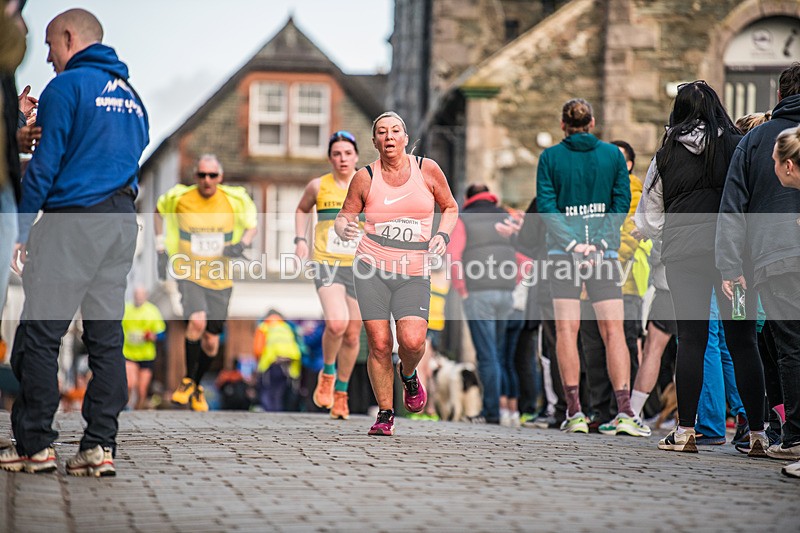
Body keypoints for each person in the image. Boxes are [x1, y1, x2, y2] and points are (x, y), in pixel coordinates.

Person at [0, 9, 148, 476]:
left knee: (40, 336)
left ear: (69, 37)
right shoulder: (133, 96)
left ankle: (35, 445)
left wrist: (23, 228)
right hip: (122, 221)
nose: (46, 57)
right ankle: (99, 446)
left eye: (49, 46)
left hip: (72, 224)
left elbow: (45, 166)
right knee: (106, 339)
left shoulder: (67, 87)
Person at [636, 81, 765, 454]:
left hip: (683, 260)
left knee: (691, 339)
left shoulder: (665, 155)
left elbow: (649, 219)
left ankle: (686, 431)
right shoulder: (739, 146)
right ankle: (757, 432)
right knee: (743, 340)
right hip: (735, 261)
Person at [334, 111, 458, 436]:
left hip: (413, 268)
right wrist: (345, 227)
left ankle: (409, 373)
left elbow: (450, 207)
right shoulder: (365, 177)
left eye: (395, 131)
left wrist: (442, 235)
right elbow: (345, 215)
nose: (389, 137)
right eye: (382, 132)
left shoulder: (426, 169)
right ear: (374, 141)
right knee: (378, 342)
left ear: (405, 137)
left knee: (413, 341)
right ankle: (386, 413)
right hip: (371, 265)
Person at [536, 98, 647, 437]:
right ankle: (625, 411)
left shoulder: (550, 157)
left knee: (567, 331)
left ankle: (575, 412)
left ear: (562, 125)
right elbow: (619, 203)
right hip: (605, 255)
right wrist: (599, 242)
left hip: (563, 254)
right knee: (613, 331)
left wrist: (572, 243)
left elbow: (547, 204)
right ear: (592, 122)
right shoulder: (613, 155)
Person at [156, 154, 257, 412]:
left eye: (212, 175)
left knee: (212, 340)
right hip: (189, 272)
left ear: (220, 177)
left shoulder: (233, 200)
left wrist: (242, 244)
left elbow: (251, 225)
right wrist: (159, 245)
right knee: (196, 321)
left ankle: (196, 385)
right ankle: (188, 381)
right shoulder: (180, 198)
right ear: (195, 176)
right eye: (202, 175)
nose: (207, 180)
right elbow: (157, 211)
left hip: (220, 277)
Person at [729, 119, 800, 477]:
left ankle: (793, 435)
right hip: (772, 267)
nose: (770, 172)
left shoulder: (753, 141)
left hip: (776, 264)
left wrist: (732, 264)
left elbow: (733, 206)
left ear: (789, 165)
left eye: (774, 163)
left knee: (788, 350)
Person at [294, 130, 363, 420]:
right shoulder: (318, 186)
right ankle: (328, 373)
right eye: (337, 153)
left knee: (353, 332)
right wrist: (300, 240)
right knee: (336, 324)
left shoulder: (369, 184)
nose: (342, 159)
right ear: (330, 158)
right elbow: (301, 209)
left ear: (356, 156)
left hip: (361, 265)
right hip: (326, 262)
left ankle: (342, 394)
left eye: (347, 153)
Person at [448, 183, 518, 425]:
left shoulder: (463, 219)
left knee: (487, 355)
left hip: (478, 293)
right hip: (506, 294)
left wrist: (462, 290)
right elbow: (522, 254)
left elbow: (453, 256)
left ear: (468, 198)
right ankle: (498, 409)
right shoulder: (506, 216)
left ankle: (491, 413)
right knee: (497, 354)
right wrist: (513, 282)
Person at [122, 287, 165, 410]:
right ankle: (126, 407)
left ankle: (137, 410)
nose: (138, 297)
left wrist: (153, 336)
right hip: (128, 353)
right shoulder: (126, 309)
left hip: (146, 355)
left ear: (146, 296)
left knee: (142, 389)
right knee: (130, 384)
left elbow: (162, 332)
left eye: (141, 295)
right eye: (136, 295)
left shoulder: (152, 311)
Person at [253, 309, 303, 412]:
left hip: (271, 363)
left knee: (269, 394)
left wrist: (259, 364)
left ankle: (271, 417)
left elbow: (258, 349)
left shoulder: (264, 327)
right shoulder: (286, 327)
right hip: (288, 365)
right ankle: (279, 416)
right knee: (280, 394)